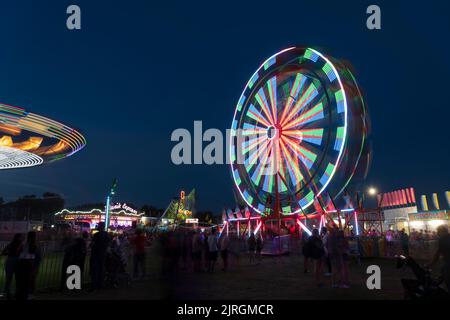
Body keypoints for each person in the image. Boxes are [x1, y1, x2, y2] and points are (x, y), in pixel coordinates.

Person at [15, 231, 41, 300]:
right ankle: (27, 295)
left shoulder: (24, 244)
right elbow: (33, 254)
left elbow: (18, 252)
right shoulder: (32, 245)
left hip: (23, 263)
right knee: (28, 280)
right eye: (35, 236)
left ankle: (21, 294)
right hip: (28, 263)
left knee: (23, 280)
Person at [428, 225, 450, 291]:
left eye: (438, 231)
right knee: (442, 272)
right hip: (447, 262)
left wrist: (430, 264)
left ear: (442, 231)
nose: (437, 233)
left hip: (448, 263)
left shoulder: (442, 239)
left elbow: (437, 254)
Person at [1, 233, 23, 300]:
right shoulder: (21, 245)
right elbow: (3, 252)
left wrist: (10, 253)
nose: (22, 238)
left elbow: (3, 252)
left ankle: (7, 293)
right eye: (21, 237)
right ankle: (15, 293)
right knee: (17, 278)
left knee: (10, 279)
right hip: (16, 261)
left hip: (11, 261)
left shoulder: (11, 244)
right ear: (18, 238)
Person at [89, 222, 111, 291]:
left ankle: (94, 285)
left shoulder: (96, 235)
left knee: (95, 270)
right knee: (102, 269)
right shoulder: (107, 234)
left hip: (96, 254)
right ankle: (100, 285)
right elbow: (108, 243)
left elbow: (92, 244)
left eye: (98, 225)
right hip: (103, 254)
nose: (97, 226)